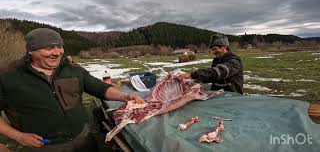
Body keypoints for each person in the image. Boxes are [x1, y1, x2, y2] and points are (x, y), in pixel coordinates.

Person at [0, 28, 144, 152]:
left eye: (59, 46)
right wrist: (17, 136)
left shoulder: (72, 69)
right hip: (44, 147)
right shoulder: (9, 77)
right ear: (31, 50)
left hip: (83, 138)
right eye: (49, 48)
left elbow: (99, 87)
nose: (57, 53)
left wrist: (124, 96)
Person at [178, 36, 244, 94]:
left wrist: (193, 74)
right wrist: (196, 79)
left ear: (224, 47)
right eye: (212, 50)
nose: (213, 52)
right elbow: (212, 77)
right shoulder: (217, 60)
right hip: (217, 95)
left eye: (215, 49)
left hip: (232, 96)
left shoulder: (234, 60)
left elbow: (220, 72)